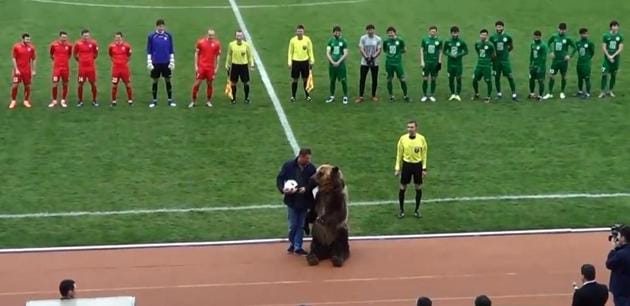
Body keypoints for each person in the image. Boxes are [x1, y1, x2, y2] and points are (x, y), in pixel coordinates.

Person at [276, 148, 317, 255]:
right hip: (292, 201)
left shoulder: (311, 168)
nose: (309, 160)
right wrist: (283, 189)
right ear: (301, 156)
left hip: (304, 201)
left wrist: (306, 189)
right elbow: (280, 178)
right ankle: (292, 243)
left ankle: (298, 247)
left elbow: (314, 182)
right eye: (307, 158)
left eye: (309, 158)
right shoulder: (288, 165)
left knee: (301, 225)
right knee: (293, 225)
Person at [394, 120, 428, 218]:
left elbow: (424, 154)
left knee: (418, 187)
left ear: (416, 128)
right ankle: (401, 210)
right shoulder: (403, 139)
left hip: (417, 165)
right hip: (406, 165)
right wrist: (397, 168)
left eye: (412, 127)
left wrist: (424, 168)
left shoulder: (421, 139)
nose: (410, 129)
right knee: (402, 187)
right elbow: (399, 154)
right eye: (408, 127)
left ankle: (417, 210)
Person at [147, 19, 176, 108]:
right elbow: (149, 49)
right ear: (156, 26)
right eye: (159, 26)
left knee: (168, 80)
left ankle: (170, 100)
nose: (161, 27)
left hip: (166, 62)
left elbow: (171, 48)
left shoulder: (168, 35)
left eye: (162, 26)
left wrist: (172, 60)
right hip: (155, 62)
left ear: (164, 26)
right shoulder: (151, 36)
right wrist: (149, 62)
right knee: (155, 80)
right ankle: (154, 101)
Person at [543, 22, 576, 100]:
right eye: (560, 29)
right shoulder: (554, 37)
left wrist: (569, 56)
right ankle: (550, 93)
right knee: (551, 75)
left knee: (564, 76)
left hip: (563, 61)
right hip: (555, 61)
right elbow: (548, 43)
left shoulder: (567, 39)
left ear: (566, 30)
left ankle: (562, 92)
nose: (562, 31)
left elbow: (575, 48)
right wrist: (550, 51)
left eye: (563, 30)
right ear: (558, 29)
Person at [190, 29, 221, 108]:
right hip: (202, 67)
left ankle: (208, 101)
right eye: (210, 35)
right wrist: (196, 66)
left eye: (212, 35)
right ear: (207, 35)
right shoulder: (201, 42)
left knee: (209, 84)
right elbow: (196, 54)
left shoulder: (217, 44)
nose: (211, 37)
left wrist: (216, 67)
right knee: (196, 84)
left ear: (214, 35)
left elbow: (218, 56)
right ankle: (193, 101)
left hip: (210, 68)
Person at [490, 21, 517, 101]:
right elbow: (491, 48)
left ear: (503, 27)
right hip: (496, 61)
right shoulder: (492, 37)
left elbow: (511, 47)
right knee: (497, 77)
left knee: (510, 76)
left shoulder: (507, 37)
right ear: (495, 28)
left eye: (500, 27)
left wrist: (506, 52)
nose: (499, 28)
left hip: (505, 60)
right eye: (497, 27)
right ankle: (499, 94)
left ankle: (514, 94)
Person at [225, 30, 254, 105]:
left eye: (240, 36)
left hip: (244, 66)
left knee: (246, 83)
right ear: (235, 36)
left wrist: (252, 64)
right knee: (233, 83)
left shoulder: (246, 45)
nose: (239, 37)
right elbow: (229, 54)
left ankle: (246, 98)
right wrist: (227, 64)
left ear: (242, 36)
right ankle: (233, 98)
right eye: (237, 36)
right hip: (235, 65)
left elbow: (250, 55)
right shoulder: (231, 44)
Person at [287, 25, 314, 102]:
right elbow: (290, 52)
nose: (299, 33)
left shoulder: (307, 40)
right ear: (296, 32)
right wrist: (289, 62)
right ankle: (293, 96)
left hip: (305, 62)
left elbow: (310, 51)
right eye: (298, 31)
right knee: (295, 79)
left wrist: (312, 60)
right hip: (295, 62)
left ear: (303, 32)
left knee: (305, 79)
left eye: (301, 31)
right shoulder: (292, 40)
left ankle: (307, 96)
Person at [9, 33, 36, 109]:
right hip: (18, 70)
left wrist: (33, 70)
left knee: (27, 86)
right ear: (22, 39)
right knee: (15, 85)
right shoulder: (16, 47)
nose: (28, 41)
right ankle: (13, 101)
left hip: (27, 71)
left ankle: (26, 101)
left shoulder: (31, 48)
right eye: (27, 39)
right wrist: (16, 69)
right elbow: (14, 58)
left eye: (29, 39)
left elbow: (34, 59)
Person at [355, 24, 381, 103]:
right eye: (368, 30)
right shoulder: (363, 38)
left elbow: (379, 49)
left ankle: (373, 95)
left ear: (374, 30)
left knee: (374, 79)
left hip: (374, 62)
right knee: (362, 79)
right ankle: (361, 96)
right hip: (364, 62)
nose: (370, 31)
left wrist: (373, 57)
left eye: (371, 30)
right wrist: (366, 57)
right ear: (367, 31)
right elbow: (361, 48)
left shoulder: (378, 39)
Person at [73, 29, 99, 107]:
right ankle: (80, 101)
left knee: (93, 84)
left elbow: (96, 54)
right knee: (80, 84)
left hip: (91, 68)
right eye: (84, 36)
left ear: (89, 36)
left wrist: (90, 60)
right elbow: (75, 54)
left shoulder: (93, 43)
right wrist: (80, 61)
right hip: (82, 69)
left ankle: (94, 100)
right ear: (82, 36)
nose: (86, 37)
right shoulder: (78, 44)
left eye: (87, 36)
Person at [383, 26, 409, 102]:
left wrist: (397, 55)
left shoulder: (400, 41)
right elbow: (385, 50)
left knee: (402, 79)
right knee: (389, 79)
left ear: (395, 33)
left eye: (391, 32)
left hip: (398, 63)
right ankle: (391, 96)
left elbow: (404, 50)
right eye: (389, 33)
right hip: (389, 63)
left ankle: (405, 95)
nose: (390, 34)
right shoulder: (386, 41)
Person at [443, 26, 468, 101]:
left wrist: (458, 55)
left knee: (458, 78)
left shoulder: (462, 42)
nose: (455, 34)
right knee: (451, 79)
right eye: (453, 33)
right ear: (451, 33)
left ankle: (457, 94)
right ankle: (452, 93)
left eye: (456, 33)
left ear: (458, 33)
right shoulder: (448, 42)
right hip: (450, 64)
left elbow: (466, 51)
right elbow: (444, 51)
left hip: (458, 64)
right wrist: (450, 55)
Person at [325, 25, 349, 104]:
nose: (337, 33)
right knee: (332, 80)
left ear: (340, 33)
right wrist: (332, 62)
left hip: (341, 65)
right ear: (333, 33)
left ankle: (345, 96)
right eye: (336, 32)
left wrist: (338, 62)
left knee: (343, 80)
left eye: (338, 32)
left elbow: (345, 53)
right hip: (332, 65)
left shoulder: (343, 41)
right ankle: (332, 96)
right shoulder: (330, 41)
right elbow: (328, 53)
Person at [606, 225, 630, 306]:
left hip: (623, 291)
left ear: (623, 238)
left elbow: (609, 264)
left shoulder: (620, 254)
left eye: (619, 235)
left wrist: (613, 249)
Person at [600, 20, 624, 98]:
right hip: (607, 59)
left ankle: (610, 90)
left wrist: (613, 56)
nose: (615, 27)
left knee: (613, 75)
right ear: (611, 27)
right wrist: (608, 56)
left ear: (618, 27)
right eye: (613, 26)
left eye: (616, 26)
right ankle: (602, 91)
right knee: (604, 74)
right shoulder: (606, 35)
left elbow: (620, 48)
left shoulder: (620, 36)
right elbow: (603, 47)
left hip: (615, 59)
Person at [108, 32, 133, 106]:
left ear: (122, 38)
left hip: (124, 69)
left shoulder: (127, 46)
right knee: (114, 85)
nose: (118, 39)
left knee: (128, 84)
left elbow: (129, 55)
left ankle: (130, 100)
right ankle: (114, 101)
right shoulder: (111, 46)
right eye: (116, 37)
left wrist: (124, 62)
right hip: (116, 69)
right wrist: (116, 62)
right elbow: (110, 55)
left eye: (119, 37)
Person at [48, 31, 72, 108]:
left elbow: (69, 55)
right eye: (63, 37)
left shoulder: (69, 45)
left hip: (65, 68)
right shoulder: (54, 45)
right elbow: (51, 54)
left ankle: (63, 100)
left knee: (65, 84)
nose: (64, 39)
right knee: (55, 84)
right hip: (57, 68)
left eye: (65, 37)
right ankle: (54, 100)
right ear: (59, 37)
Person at [472, 29, 495, 103]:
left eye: (485, 35)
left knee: (488, 81)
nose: (483, 36)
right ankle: (476, 94)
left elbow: (494, 55)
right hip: (479, 65)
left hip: (486, 66)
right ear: (480, 35)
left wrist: (489, 61)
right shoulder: (477, 43)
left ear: (487, 36)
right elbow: (477, 51)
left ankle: (488, 96)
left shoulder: (490, 45)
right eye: (482, 35)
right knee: (474, 80)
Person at [420, 26, 442, 102]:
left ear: (436, 32)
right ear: (429, 31)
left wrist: (439, 61)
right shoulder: (425, 40)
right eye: (431, 31)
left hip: (434, 63)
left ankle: (432, 94)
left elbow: (440, 51)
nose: (433, 32)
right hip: (426, 62)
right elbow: (421, 50)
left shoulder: (439, 41)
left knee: (433, 78)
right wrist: (422, 61)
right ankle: (425, 95)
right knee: (425, 78)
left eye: (434, 31)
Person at [575, 28, 595, 99]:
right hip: (579, 63)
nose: (585, 35)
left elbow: (592, 52)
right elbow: (577, 50)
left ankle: (588, 93)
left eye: (586, 33)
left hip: (586, 64)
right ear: (580, 34)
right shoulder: (577, 42)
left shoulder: (590, 43)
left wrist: (587, 59)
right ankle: (580, 91)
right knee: (579, 78)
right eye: (583, 34)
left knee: (587, 78)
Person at [529, 30, 548, 101]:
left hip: (541, 66)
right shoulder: (532, 44)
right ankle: (532, 93)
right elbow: (531, 55)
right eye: (535, 36)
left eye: (538, 37)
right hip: (533, 66)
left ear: (540, 37)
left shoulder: (543, 46)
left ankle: (540, 96)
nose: (536, 38)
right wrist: (530, 64)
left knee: (540, 81)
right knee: (531, 79)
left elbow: (544, 58)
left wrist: (540, 67)